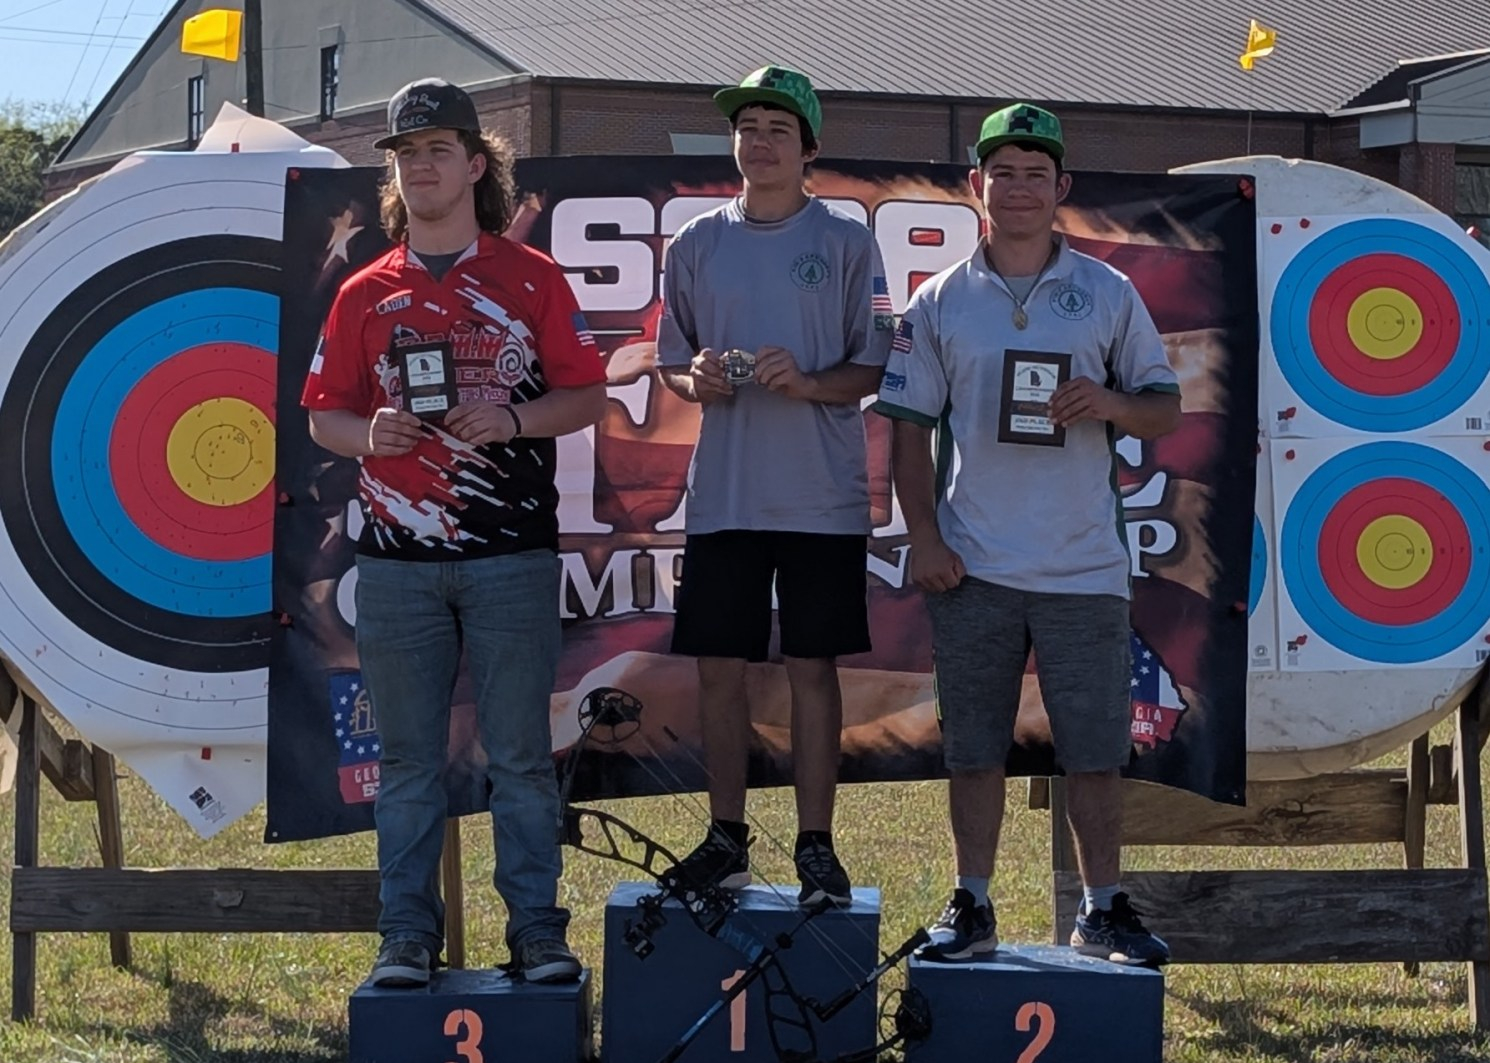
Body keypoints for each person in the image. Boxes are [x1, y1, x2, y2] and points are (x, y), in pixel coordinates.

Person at [302, 78, 608, 986]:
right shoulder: (364, 290)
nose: (421, 167)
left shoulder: (532, 276)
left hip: (510, 557)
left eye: (438, 149)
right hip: (397, 566)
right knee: (405, 763)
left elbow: (588, 397)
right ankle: (405, 937)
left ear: (477, 165)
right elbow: (323, 416)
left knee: (520, 759)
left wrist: (512, 420)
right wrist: (370, 434)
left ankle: (538, 934)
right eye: (406, 154)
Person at [873, 104, 1177, 966]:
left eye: (1034, 174)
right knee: (974, 749)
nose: (1017, 188)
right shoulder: (939, 300)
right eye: (1001, 172)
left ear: (1061, 187)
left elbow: (1163, 407)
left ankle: (1102, 907)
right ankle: (971, 902)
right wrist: (924, 538)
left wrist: (1109, 402)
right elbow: (905, 430)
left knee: (1095, 751)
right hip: (974, 565)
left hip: (1084, 567)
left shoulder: (1108, 292)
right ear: (976, 185)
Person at [655, 66, 893, 907]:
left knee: (811, 669)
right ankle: (726, 840)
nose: (758, 142)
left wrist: (810, 382)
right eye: (747, 126)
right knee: (720, 670)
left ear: (809, 149)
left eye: (777, 129)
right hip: (724, 496)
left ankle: (816, 846)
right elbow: (671, 364)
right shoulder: (694, 244)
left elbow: (876, 366)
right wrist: (695, 380)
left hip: (821, 498)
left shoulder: (847, 241)